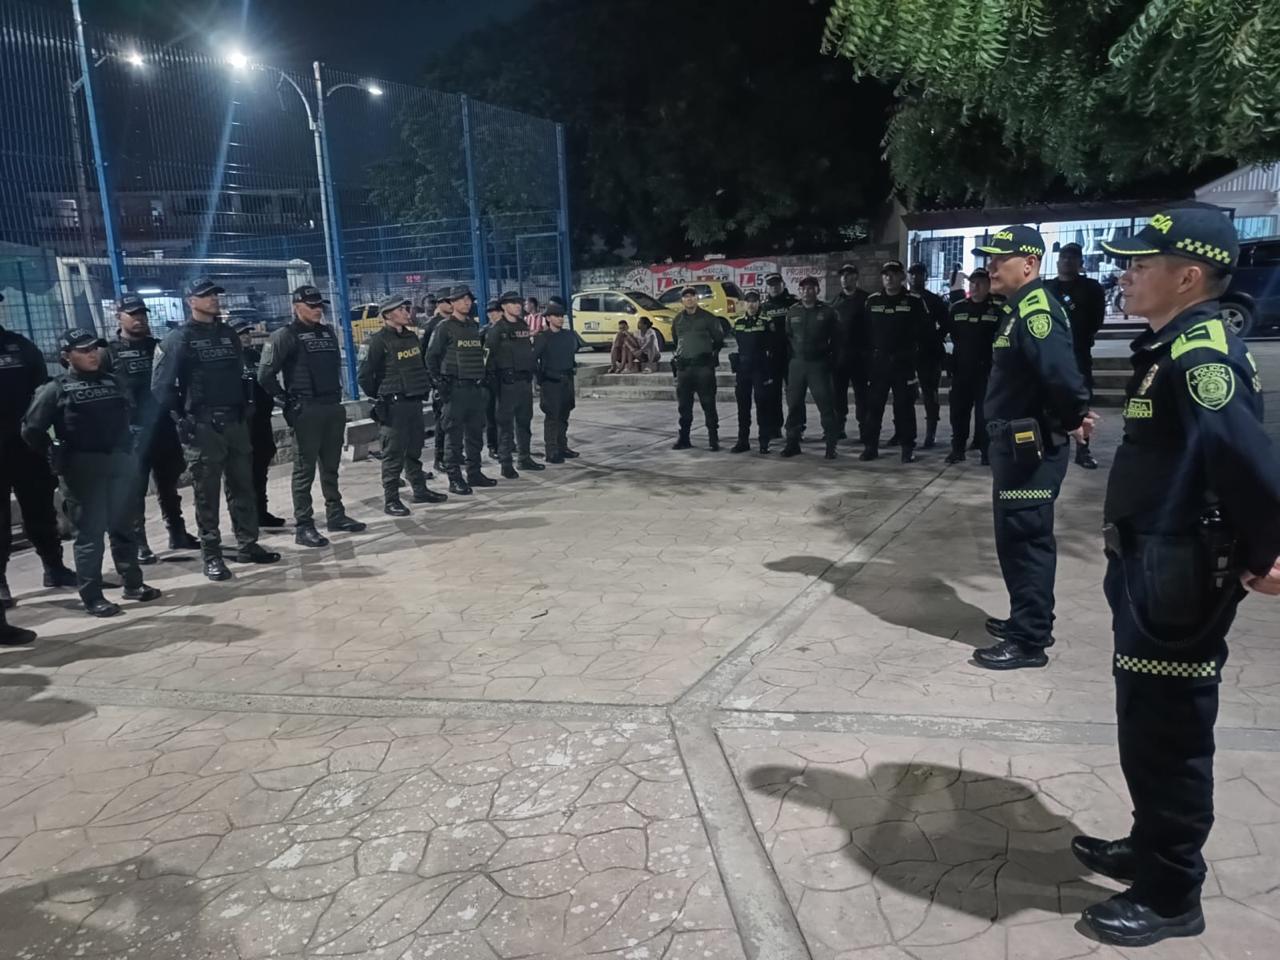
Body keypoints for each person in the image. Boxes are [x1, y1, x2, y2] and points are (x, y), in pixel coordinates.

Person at [1070, 207, 1280, 947]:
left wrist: (1270, 549)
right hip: (1153, 559)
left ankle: (1169, 893)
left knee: (1169, 729)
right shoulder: (1175, 344)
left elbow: (1246, 462)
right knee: (1145, 718)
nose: (1123, 275)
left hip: (1181, 570)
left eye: (1138, 264)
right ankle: (1150, 843)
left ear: (1187, 275)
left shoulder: (1203, 359)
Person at [970, 226, 1094, 670]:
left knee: (1026, 539)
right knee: (1014, 537)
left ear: (1029, 264)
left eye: (998, 260)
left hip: (1031, 449)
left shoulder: (1037, 310)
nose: (990, 268)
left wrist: (1074, 418)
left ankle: (1030, 640)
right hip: (1014, 446)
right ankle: (1027, 616)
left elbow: (1062, 375)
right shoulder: (1018, 308)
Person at [22, 329, 162, 617]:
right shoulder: (55, 389)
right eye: (83, 350)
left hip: (118, 463)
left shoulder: (114, 383)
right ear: (66, 356)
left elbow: (130, 415)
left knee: (124, 527)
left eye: (94, 348)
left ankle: (133, 583)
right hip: (82, 470)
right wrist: (54, 454)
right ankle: (92, 596)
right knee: (90, 535)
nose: (92, 354)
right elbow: (31, 429)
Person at [152, 277, 281, 581]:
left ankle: (248, 543)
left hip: (235, 421)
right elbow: (160, 387)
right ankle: (212, 555)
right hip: (202, 424)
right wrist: (180, 419)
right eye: (206, 295)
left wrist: (246, 405)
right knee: (206, 494)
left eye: (215, 295)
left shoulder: (227, 335)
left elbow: (241, 374)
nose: (213, 300)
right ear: (190, 301)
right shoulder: (177, 339)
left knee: (242, 487)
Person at [258, 285, 367, 548]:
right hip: (306, 410)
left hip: (331, 406)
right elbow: (265, 376)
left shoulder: (327, 332)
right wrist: (286, 401)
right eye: (311, 305)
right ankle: (304, 525)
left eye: (320, 305)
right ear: (296, 307)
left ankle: (336, 515)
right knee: (304, 470)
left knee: (331, 467)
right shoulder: (284, 336)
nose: (318, 309)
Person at [103, 294, 200, 564]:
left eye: (142, 314)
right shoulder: (108, 353)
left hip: (164, 427)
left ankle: (177, 533)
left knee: (169, 485)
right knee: (135, 490)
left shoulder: (159, 347)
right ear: (118, 316)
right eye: (132, 314)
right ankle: (140, 543)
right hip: (131, 432)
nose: (139, 319)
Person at [0, 294, 77, 607]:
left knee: (41, 508)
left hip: (26, 442)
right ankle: (1, 582)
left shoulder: (19, 346)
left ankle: (53, 566)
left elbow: (43, 391)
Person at [357, 295, 448, 516]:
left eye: (407, 308)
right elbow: (365, 376)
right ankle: (391, 499)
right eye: (402, 309)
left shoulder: (411, 338)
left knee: (414, 449)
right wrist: (382, 396)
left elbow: (420, 366)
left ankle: (419, 490)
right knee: (393, 453)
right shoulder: (377, 341)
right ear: (388, 314)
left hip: (414, 402)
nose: (408, 312)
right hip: (393, 406)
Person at [426, 285, 495, 495]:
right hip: (455, 389)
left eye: (469, 300)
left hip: (474, 388)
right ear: (452, 303)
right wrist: (439, 383)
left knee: (475, 435)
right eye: (462, 299)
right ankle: (454, 478)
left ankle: (474, 473)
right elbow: (431, 357)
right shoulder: (444, 327)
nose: (467, 303)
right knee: (453, 437)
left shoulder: (473, 327)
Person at [1046, 242, 1107, 469]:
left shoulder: (1090, 288)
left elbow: (1095, 321)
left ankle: (1083, 449)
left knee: (1081, 400)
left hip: (1079, 353)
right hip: (1052, 352)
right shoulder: (1047, 288)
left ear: (1080, 262)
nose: (1067, 261)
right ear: (1057, 261)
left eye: (1073, 257)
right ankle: (1051, 445)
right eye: (1064, 257)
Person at [860, 261, 926, 462]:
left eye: (894, 274)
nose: (889, 278)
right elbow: (864, 334)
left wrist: (916, 359)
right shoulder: (872, 301)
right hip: (879, 363)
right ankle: (870, 446)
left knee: (904, 407)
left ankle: (907, 448)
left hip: (903, 362)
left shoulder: (914, 301)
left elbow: (925, 333)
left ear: (902, 277)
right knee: (874, 407)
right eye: (886, 274)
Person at [942, 268, 1002, 464]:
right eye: (973, 283)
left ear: (988, 285)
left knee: (985, 414)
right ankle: (958, 449)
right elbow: (945, 334)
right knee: (958, 412)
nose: (976, 287)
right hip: (962, 369)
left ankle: (986, 452)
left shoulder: (998, 309)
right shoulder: (958, 308)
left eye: (981, 283)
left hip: (987, 369)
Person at [486, 290, 544, 479]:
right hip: (506, 384)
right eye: (513, 303)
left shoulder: (522, 325)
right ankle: (506, 463)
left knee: (524, 422)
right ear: (503, 306)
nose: (518, 305)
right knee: (505, 426)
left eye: (519, 302)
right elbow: (488, 359)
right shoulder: (497, 329)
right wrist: (494, 384)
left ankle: (525, 458)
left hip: (524, 382)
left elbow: (528, 351)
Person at [232, 319, 284, 529]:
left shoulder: (255, 355)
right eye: (241, 333)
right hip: (242, 424)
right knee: (242, 473)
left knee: (260, 469)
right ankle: (244, 520)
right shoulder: (230, 360)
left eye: (247, 332)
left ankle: (261, 512)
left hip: (262, 420)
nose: (246, 336)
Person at [782, 276, 840, 460]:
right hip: (797, 365)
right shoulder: (793, 312)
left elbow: (837, 338)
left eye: (810, 288)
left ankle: (831, 446)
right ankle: (792, 443)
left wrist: (830, 359)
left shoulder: (828, 311)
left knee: (826, 406)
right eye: (803, 289)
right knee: (794, 405)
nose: (807, 292)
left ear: (817, 290)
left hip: (819, 365)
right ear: (799, 291)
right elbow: (788, 337)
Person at [670, 285, 724, 451]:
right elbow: (675, 340)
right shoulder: (677, 319)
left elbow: (719, 340)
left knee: (708, 404)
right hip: (684, 369)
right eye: (686, 297)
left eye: (692, 296)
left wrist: (708, 355)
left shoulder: (708, 318)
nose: (689, 299)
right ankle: (684, 438)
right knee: (684, 406)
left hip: (703, 369)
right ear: (682, 301)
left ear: (697, 299)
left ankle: (713, 439)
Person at [727, 291, 775, 454]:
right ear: (744, 304)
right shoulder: (738, 322)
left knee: (762, 405)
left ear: (759, 303)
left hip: (760, 369)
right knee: (743, 406)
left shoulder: (766, 321)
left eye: (755, 301)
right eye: (749, 301)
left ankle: (764, 442)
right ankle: (743, 441)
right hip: (743, 369)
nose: (752, 304)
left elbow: (772, 346)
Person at [908, 262, 949, 449]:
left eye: (920, 274)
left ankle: (930, 433)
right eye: (913, 274)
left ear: (925, 276)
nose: (916, 278)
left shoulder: (934, 300)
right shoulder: (903, 298)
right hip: (907, 353)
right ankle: (902, 432)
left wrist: (933, 339)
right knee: (904, 395)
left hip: (929, 354)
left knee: (930, 394)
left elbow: (946, 324)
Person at [533, 301, 581, 462]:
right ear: (548, 318)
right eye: (556, 316)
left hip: (567, 379)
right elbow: (533, 360)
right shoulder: (543, 337)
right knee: (552, 417)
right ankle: (551, 451)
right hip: (551, 382)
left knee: (564, 415)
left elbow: (574, 351)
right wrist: (541, 378)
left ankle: (562, 446)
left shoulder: (568, 335)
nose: (560, 319)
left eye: (562, 316)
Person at [830, 263, 869, 444]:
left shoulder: (866, 300)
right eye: (843, 275)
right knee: (839, 396)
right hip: (839, 359)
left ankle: (865, 429)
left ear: (856, 277)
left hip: (861, 359)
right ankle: (839, 428)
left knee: (862, 396)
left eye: (849, 275)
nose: (845, 278)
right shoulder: (835, 302)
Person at [761, 273, 797, 440]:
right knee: (773, 394)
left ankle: (797, 427)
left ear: (783, 284)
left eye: (777, 284)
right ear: (767, 287)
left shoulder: (793, 302)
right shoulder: (764, 307)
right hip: (772, 357)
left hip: (792, 355)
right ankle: (775, 427)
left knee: (794, 394)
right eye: (771, 285)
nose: (774, 287)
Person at [422, 290, 453, 474]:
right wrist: (434, 381)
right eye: (447, 301)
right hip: (440, 380)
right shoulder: (432, 325)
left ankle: (453, 455)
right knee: (442, 421)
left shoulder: (456, 324)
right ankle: (439, 457)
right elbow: (426, 355)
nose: (451, 304)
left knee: (455, 421)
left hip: (454, 380)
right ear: (439, 304)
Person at [483, 299, 503, 459]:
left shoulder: (508, 329)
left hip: (506, 377)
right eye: (489, 312)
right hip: (490, 377)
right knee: (492, 414)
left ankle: (507, 443)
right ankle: (493, 446)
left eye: (495, 311)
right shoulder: (484, 332)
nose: (492, 315)